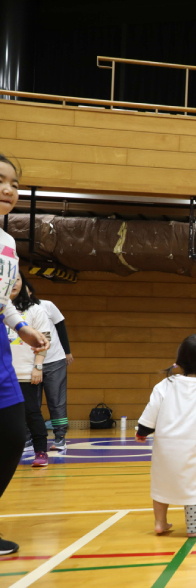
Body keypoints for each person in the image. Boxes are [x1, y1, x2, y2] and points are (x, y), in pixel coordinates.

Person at [0, 153, 51, 556]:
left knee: (13, 435)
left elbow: (3, 300)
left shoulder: (8, 243)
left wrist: (22, 327)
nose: (8, 189)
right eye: (1, 180)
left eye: (14, 183)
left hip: (1, 351)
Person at [136, 335, 196, 537]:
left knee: (161, 484)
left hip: (165, 450)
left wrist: (142, 431)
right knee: (194, 486)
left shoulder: (166, 384)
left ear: (180, 360)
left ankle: (160, 522)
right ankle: (194, 527)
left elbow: (151, 411)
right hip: (194, 451)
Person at [8, 272, 52, 467]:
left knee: (31, 412)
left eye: (18, 279)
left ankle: (41, 451)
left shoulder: (35, 310)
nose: (14, 283)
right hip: (4, 373)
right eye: (10, 279)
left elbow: (45, 340)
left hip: (25, 372)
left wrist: (38, 367)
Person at [29, 286, 72, 454]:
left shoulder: (46, 305)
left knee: (56, 400)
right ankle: (30, 439)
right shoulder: (13, 311)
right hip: (28, 363)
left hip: (54, 359)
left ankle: (60, 437)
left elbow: (61, 329)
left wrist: (67, 351)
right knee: (32, 402)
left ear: (30, 291)